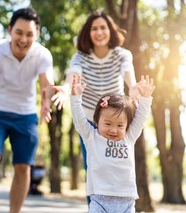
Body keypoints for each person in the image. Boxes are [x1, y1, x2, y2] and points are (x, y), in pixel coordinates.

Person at [0, 7, 55, 213]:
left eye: (29, 34)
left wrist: (46, 102)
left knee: (22, 166)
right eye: (19, 32)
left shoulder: (42, 54)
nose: (23, 39)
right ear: (10, 30)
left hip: (25, 114)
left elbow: (46, 84)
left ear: (36, 35)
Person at [52, 11, 139, 203]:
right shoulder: (80, 56)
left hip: (116, 121)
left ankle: (121, 209)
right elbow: (74, 73)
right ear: (88, 33)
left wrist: (132, 86)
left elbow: (127, 70)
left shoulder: (121, 54)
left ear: (110, 31)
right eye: (94, 29)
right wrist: (66, 89)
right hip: (91, 121)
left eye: (103, 28)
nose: (99, 32)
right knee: (93, 166)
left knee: (118, 162)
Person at [70, 74, 155, 213]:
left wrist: (146, 98)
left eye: (120, 125)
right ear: (97, 121)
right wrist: (75, 98)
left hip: (126, 205)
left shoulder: (129, 137)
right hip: (99, 203)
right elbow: (79, 120)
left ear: (127, 126)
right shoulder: (91, 136)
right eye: (108, 124)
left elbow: (140, 118)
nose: (114, 130)